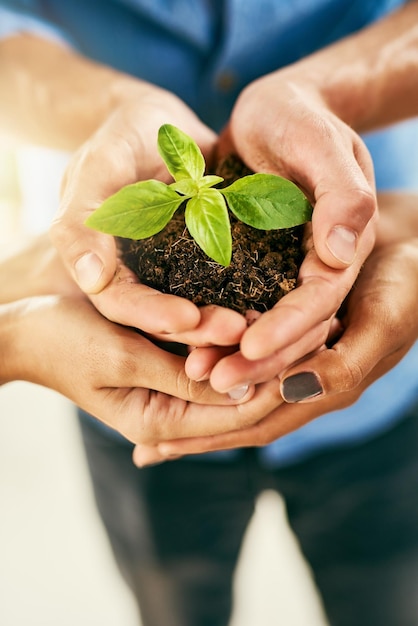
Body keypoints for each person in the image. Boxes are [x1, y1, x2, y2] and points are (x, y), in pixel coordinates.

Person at [1, 1, 418, 624]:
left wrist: (324, 91)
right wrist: (109, 108)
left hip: (371, 350)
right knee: (173, 601)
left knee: (387, 592)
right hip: (123, 363)